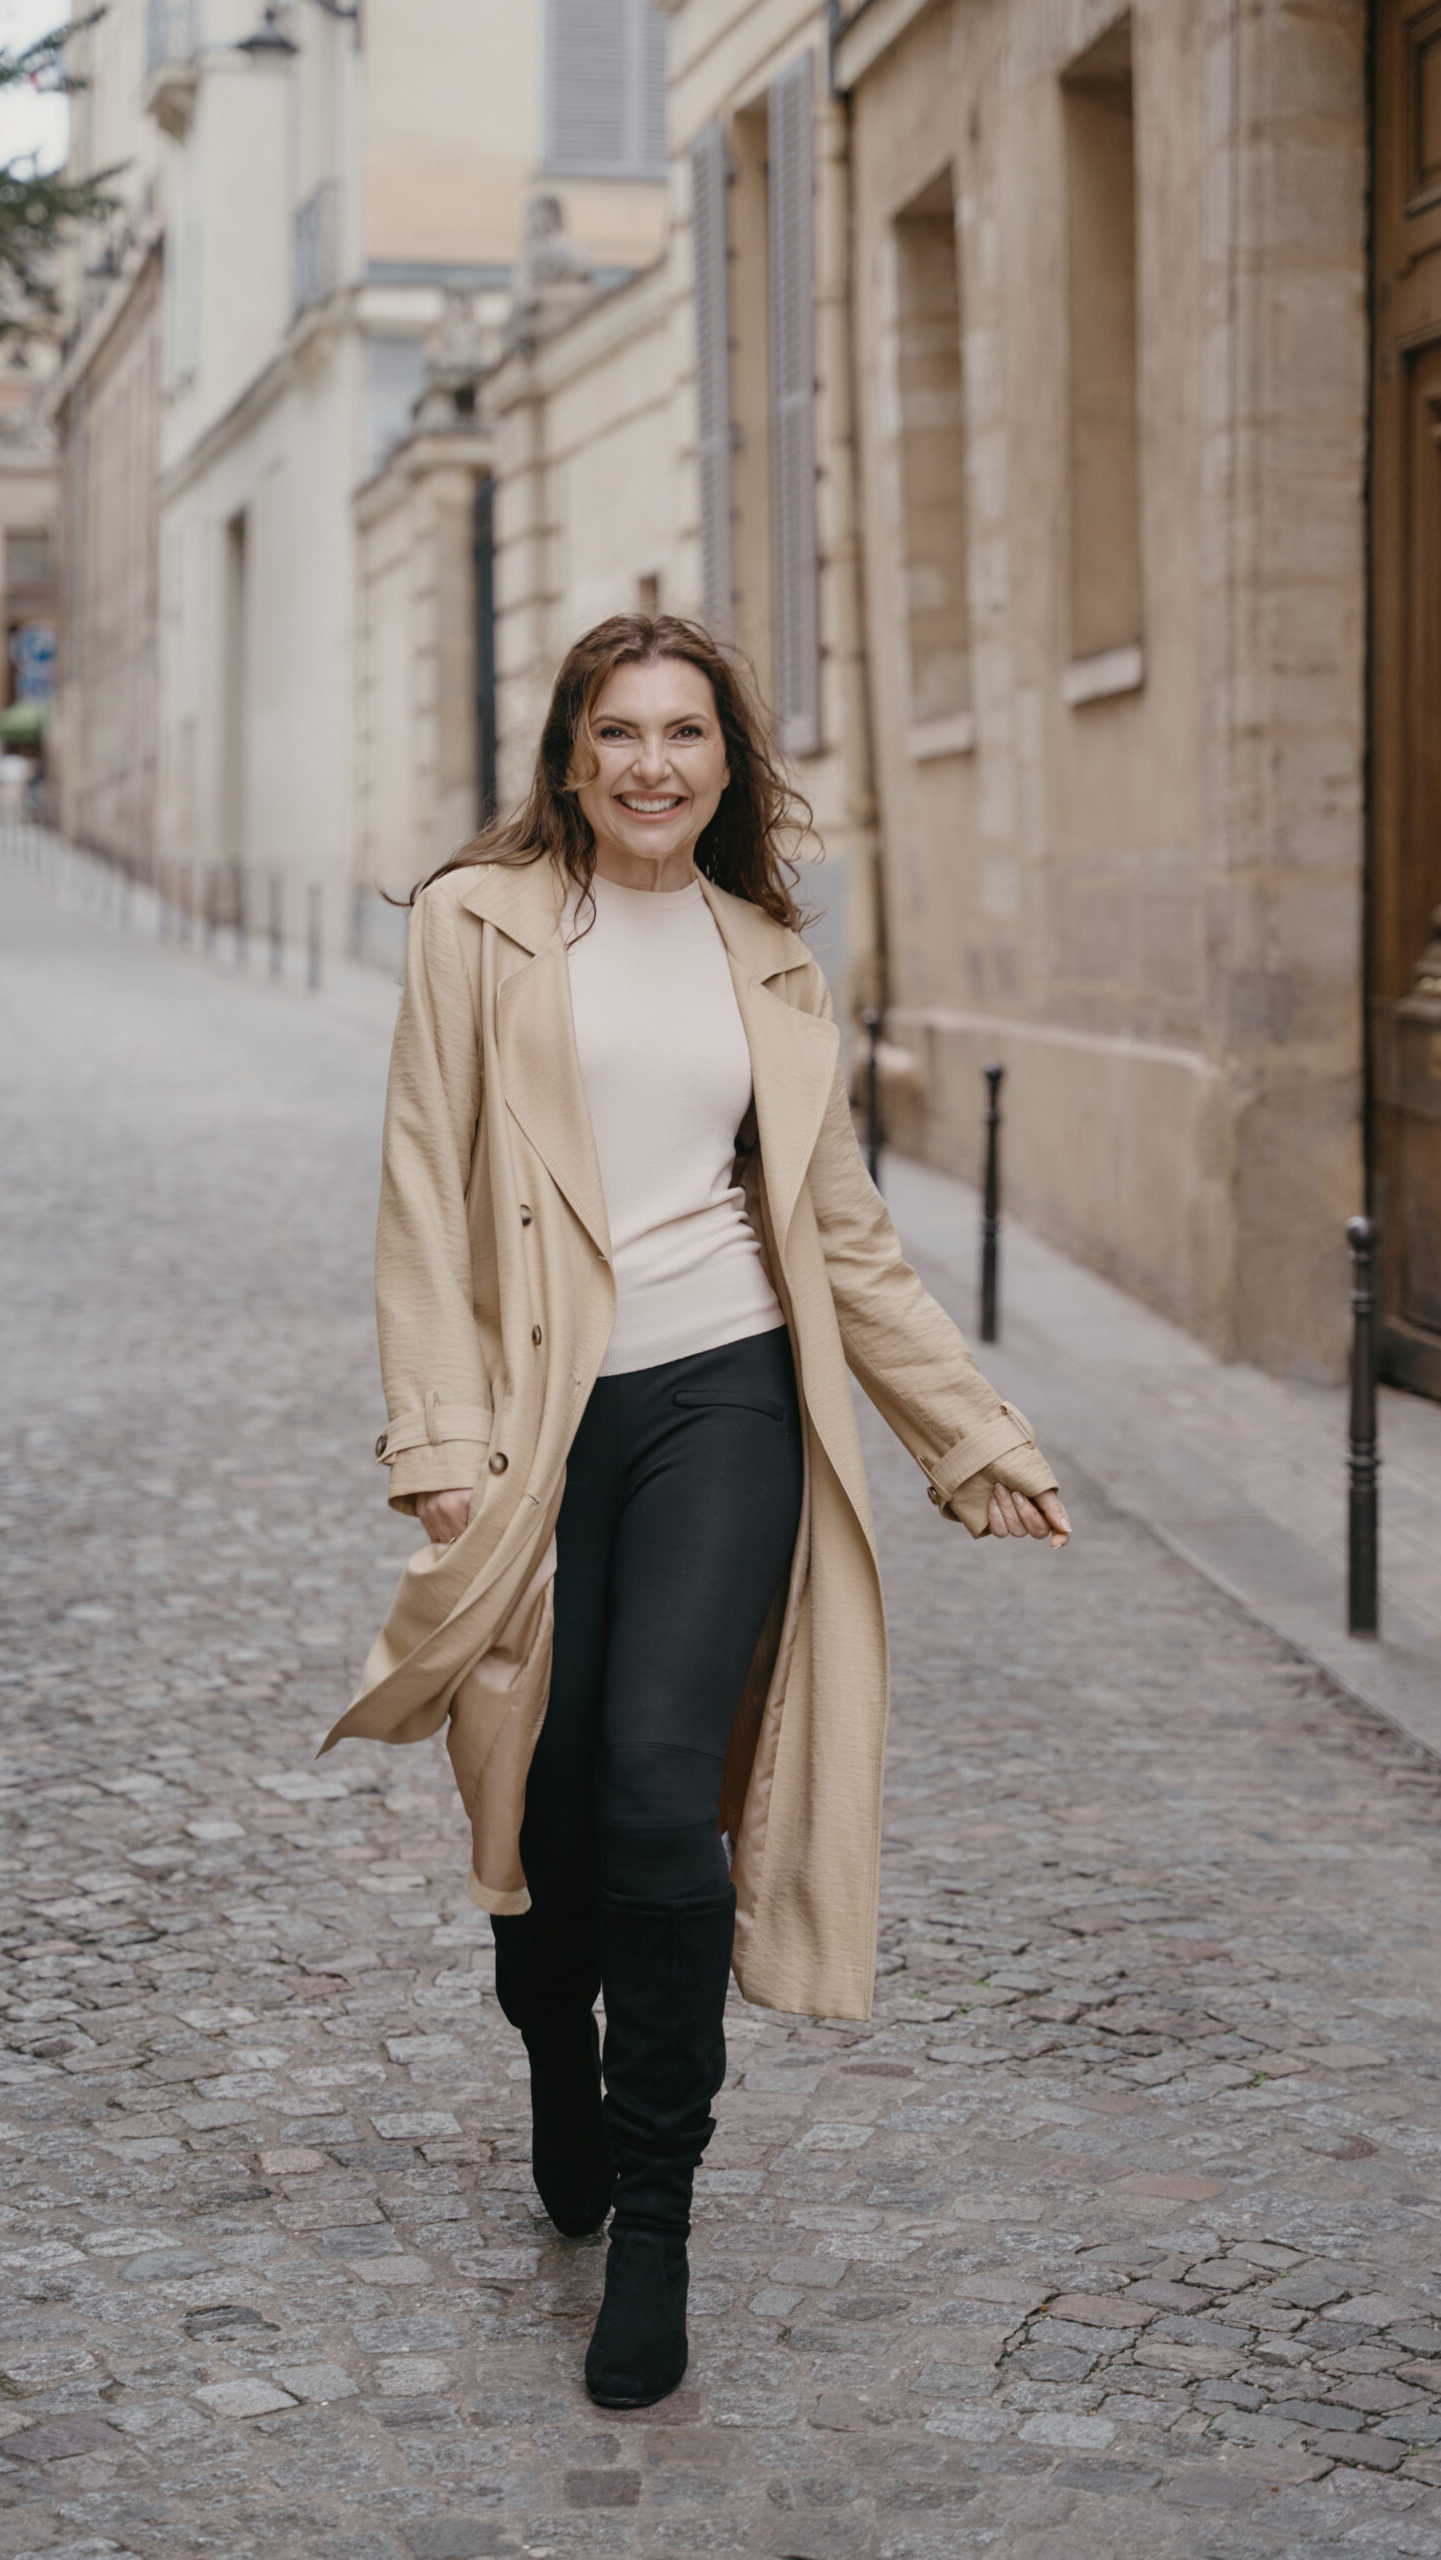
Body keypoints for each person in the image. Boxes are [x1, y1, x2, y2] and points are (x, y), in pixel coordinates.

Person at [323, 614, 1071, 2412]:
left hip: (721, 1390)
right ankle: (551, 2065)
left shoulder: (768, 958)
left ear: (728, 764)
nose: (653, 764)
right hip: (528, 1406)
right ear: (570, 756)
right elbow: (424, 1176)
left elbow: (836, 1233)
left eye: (686, 734)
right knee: (543, 1801)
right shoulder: (478, 923)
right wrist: (436, 1432)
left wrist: (965, 1433)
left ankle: (650, 2218)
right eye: (619, 731)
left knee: (662, 1796)